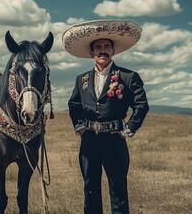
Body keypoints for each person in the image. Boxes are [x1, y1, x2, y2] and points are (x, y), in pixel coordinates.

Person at [62, 20, 149, 214]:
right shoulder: (81, 79)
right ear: (92, 53)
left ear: (113, 51)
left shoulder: (128, 76)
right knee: (90, 187)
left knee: (118, 189)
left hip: (114, 140)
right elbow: (73, 105)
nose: (103, 51)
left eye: (107, 47)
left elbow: (141, 105)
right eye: (98, 47)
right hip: (89, 140)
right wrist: (79, 126)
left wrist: (129, 128)